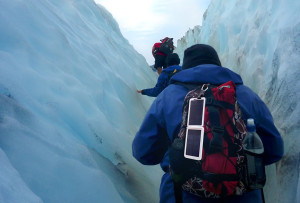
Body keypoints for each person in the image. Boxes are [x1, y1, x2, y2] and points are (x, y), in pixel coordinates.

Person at [132, 44, 284, 203]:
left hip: (181, 196)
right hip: (245, 197)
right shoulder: (247, 96)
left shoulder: (167, 97)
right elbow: (275, 151)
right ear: (218, 65)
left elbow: (143, 152)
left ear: (186, 68)